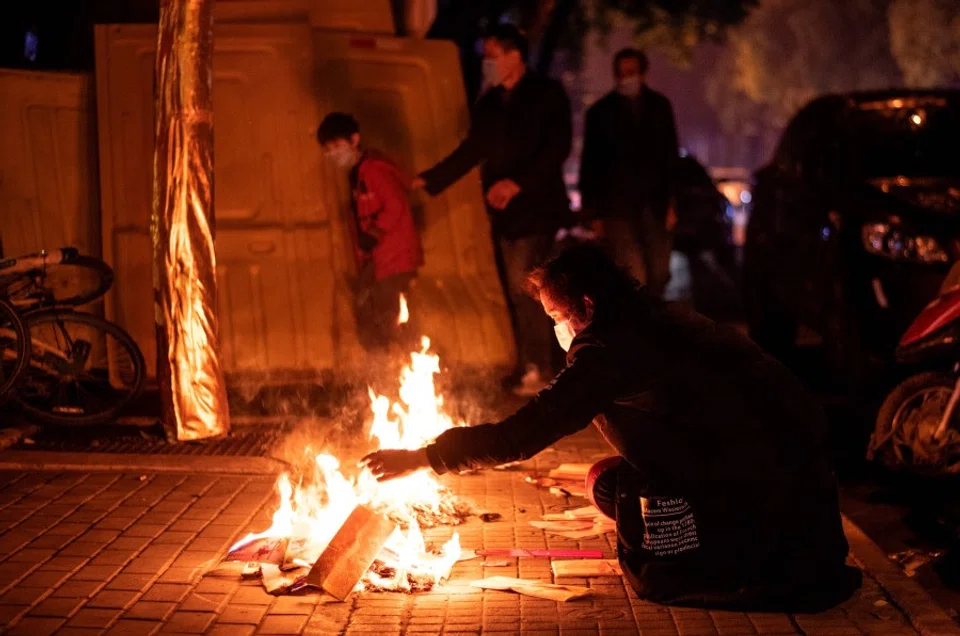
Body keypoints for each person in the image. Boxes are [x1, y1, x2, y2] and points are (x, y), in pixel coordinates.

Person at [361, 243, 862, 611]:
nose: (557, 328)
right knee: (606, 480)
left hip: (755, 496)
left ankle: (717, 552)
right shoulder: (655, 315)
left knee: (651, 551)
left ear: (589, 305)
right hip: (803, 490)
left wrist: (422, 458)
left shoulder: (611, 352)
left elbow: (522, 435)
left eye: (558, 315)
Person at [413, 23, 573, 396]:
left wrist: (517, 183)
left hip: (538, 208)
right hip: (506, 216)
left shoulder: (546, 94)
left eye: (492, 56)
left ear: (514, 54)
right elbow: (472, 150)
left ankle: (541, 367)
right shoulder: (489, 104)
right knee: (519, 290)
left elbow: (557, 148)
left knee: (530, 289)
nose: (486, 63)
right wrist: (429, 179)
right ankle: (535, 365)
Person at [318, 112, 423, 352]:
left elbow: (395, 204)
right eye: (328, 149)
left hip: (393, 257)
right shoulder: (359, 173)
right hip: (379, 258)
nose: (332, 154)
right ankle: (384, 371)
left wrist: (373, 234)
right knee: (369, 310)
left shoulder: (374, 170)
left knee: (387, 318)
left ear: (354, 140)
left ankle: (393, 368)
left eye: (337, 145)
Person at [579, 48, 679, 298]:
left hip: (654, 205)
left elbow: (670, 157)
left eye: (631, 72)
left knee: (659, 273)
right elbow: (591, 163)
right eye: (622, 73)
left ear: (643, 73)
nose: (626, 78)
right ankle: (639, 329)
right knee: (633, 275)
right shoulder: (601, 113)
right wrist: (594, 211)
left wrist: (672, 202)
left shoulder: (659, 108)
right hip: (617, 208)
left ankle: (652, 325)